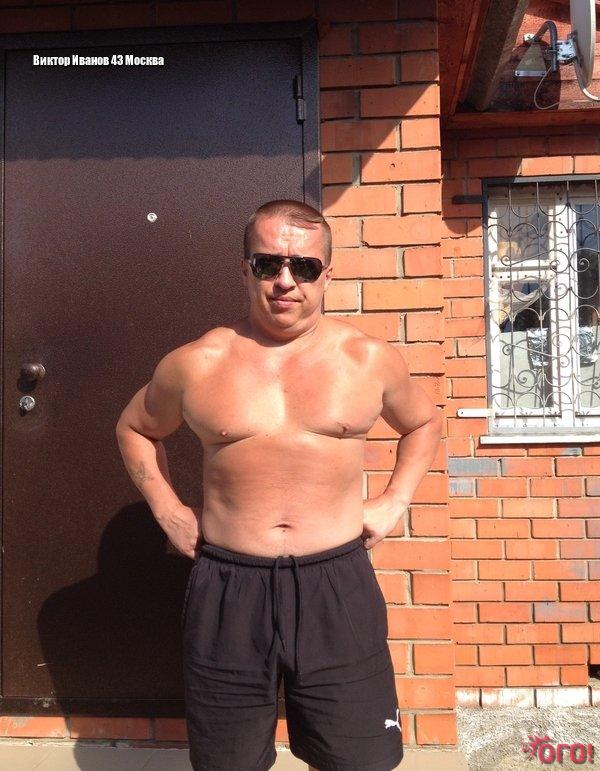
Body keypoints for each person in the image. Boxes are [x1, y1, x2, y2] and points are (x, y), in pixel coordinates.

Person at [116, 199, 443, 771]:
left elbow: (423, 422)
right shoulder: (198, 362)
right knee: (229, 762)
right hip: (229, 586)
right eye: (268, 264)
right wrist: (168, 511)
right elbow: (135, 429)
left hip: (335, 583)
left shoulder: (367, 360)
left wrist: (395, 501)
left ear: (327, 275)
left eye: (305, 267)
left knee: (358, 759)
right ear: (245, 270)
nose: (285, 281)